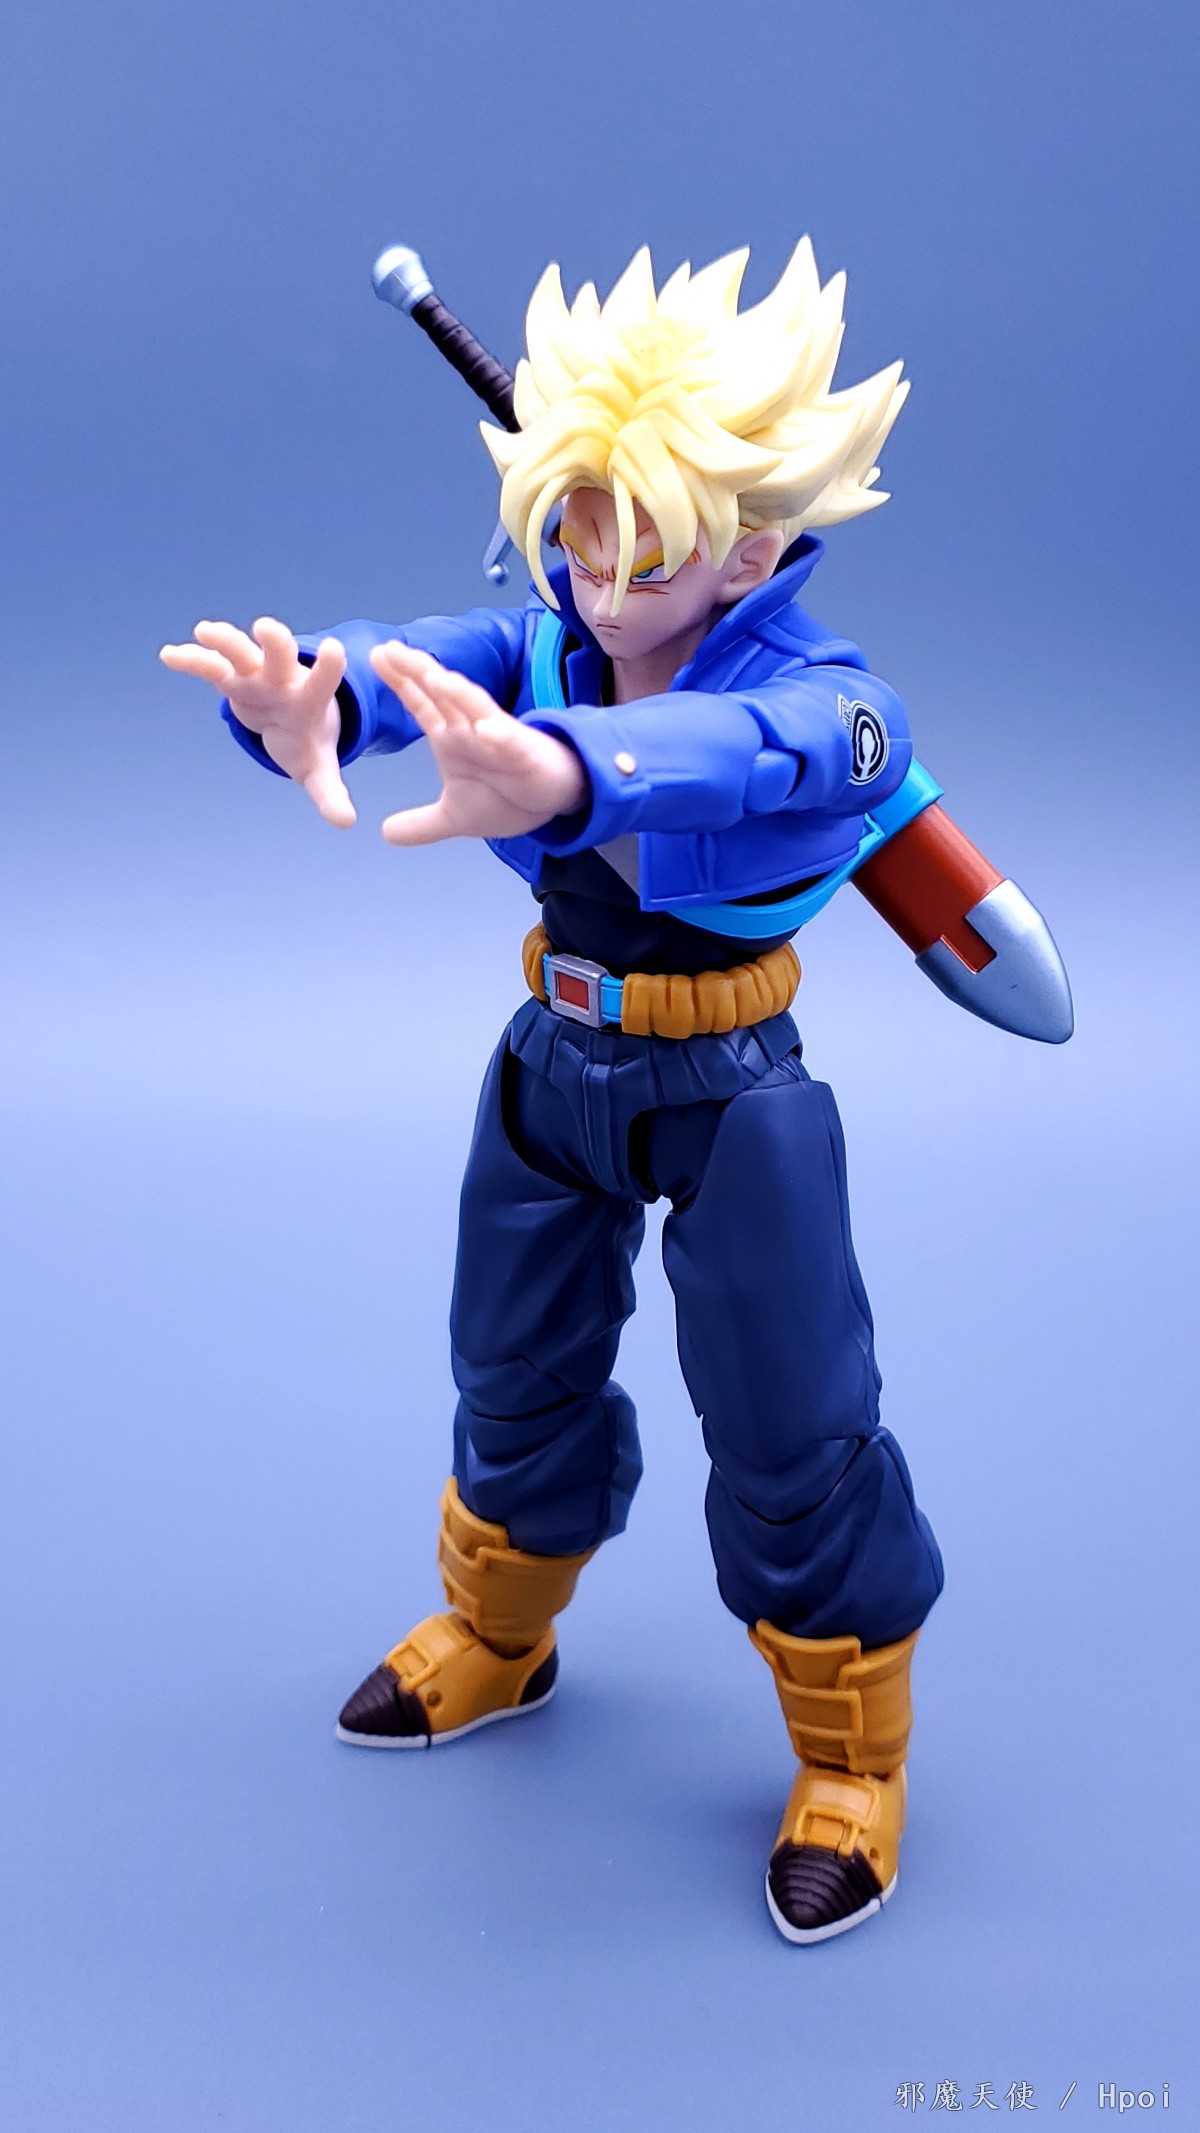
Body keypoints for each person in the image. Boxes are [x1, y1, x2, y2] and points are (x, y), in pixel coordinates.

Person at [161, 239, 944, 1945]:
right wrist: (315, 701)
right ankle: (499, 1633)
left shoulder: (827, 697)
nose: (592, 573)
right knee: (511, 1365)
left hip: (734, 1086)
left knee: (792, 1416)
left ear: (747, 542)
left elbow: (768, 756)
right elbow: (409, 658)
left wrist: (575, 768)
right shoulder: (551, 643)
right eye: (571, 525)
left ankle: (850, 1755)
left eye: (629, 535)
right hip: (556, 1056)